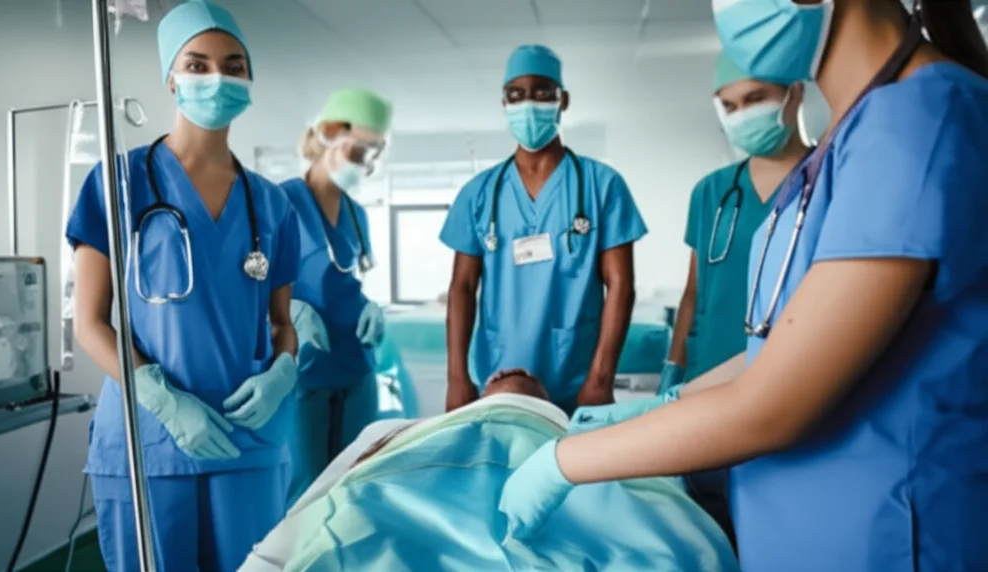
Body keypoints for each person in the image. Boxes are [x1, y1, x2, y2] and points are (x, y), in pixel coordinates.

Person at [498, 0, 988, 570]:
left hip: (890, 539)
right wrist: (668, 401)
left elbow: (772, 407)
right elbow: (782, 343)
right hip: (807, 537)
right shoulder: (851, 136)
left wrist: (561, 464)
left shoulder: (917, 120)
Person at [67, 2, 301, 570]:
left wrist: (283, 372)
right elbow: (90, 323)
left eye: (233, 65)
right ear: (171, 79)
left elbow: (281, 323)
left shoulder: (271, 203)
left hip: (247, 441)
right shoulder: (119, 182)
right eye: (197, 64)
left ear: (249, 79)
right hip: (149, 441)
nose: (217, 77)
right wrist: (161, 399)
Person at [240, 370, 738, 572]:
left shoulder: (605, 438)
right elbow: (344, 485)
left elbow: (758, 396)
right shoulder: (403, 430)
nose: (508, 370)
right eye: (497, 374)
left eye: (526, 375)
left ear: (548, 399)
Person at [440, 44, 647, 415]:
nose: (528, 104)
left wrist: (601, 378)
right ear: (504, 103)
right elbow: (462, 287)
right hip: (497, 376)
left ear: (562, 100)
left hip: (577, 378)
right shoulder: (479, 193)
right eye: (516, 95)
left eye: (541, 93)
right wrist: (457, 379)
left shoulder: (602, 185)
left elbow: (621, 285)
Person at [658, 50, 813, 545]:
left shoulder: (829, 177)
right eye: (729, 105)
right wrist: (673, 371)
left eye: (756, 98)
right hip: (708, 388)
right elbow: (693, 294)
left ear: (794, 94)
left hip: (794, 387)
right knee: (711, 530)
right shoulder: (711, 193)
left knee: (782, 527)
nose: (742, 114)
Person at [279, 87, 393, 508]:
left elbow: (348, 278)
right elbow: (246, 286)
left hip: (356, 364)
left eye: (373, 153)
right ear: (329, 132)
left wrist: (372, 308)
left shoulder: (357, 214)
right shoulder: (280, 202)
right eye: (359, 150)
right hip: (304, 368)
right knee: (306, 492)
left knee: (356, 483)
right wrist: (289, 310)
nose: (365, 163)